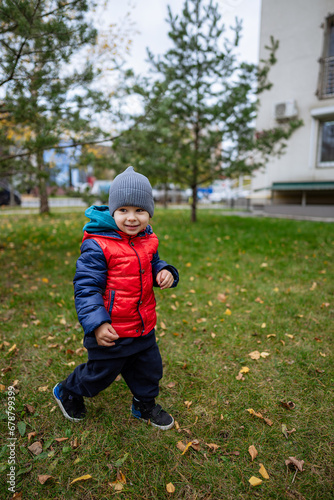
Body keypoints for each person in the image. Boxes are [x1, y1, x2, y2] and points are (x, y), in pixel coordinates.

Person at [53, 166, 179, 430]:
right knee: (100, 374)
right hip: (112, 329)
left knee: (149, 369)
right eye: (124, 210)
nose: (132, 218)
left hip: (143, 325)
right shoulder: (98, 244)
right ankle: (69, 391)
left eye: (139, 210)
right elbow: (86, 287)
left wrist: (164, 271)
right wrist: (97, 323)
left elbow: (153, 262)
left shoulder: (147, 239)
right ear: (112, 211)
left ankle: (143, 405)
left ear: (149, 212)